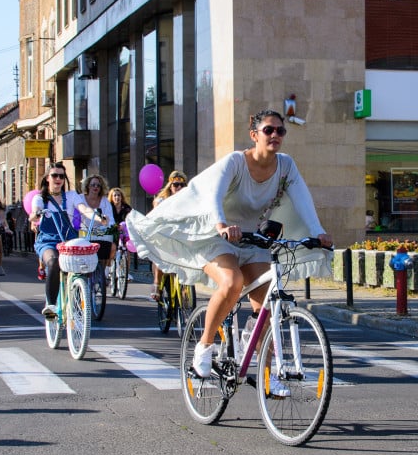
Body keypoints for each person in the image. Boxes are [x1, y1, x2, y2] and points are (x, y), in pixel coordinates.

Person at [127, 110, 333, 391]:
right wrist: (221, 223)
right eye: (268, 130)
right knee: (232, 282)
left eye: (280, 131)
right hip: (217, 236)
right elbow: (214, 192)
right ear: (254, 135)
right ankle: (204, 345)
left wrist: (317, 232)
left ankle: (265, 370)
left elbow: (302, 200)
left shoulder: (286, 166)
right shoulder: (236, 162)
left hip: (252, 239)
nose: (275, 135)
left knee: (269, 304)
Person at [30, 162, 101, 318]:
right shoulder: (40, 198)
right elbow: (35, 210)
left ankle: (78, 294)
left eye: (61, 176)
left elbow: (83, 208)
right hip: (48, 241)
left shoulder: (71, 196)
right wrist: (34, 215)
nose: (58, 179)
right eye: (55, 175)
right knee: (54, 261)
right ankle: (51, 304)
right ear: (48, 178)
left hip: (69, 240)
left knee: (81, 265)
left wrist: (96, 215)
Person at [149, 170, 188, 300]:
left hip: (181, 235)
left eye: (182, 185)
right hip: (165, 234)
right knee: (160, 256)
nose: (179, 188)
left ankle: (186, 287)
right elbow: (157, 214)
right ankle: (156, 283)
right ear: (170, 186)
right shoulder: (162, 200)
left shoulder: (189, 200)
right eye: (176, 185)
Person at [79, 174, 116, 272]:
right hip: (83, 233)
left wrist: (108, 223)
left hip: (100, 234)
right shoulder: (80, 198)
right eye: (93, 185)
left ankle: (105, 272)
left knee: (112, 248)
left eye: (98, 185)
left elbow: (111, 220)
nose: (95, 187)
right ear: (88, 186)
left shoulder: (104, 201)